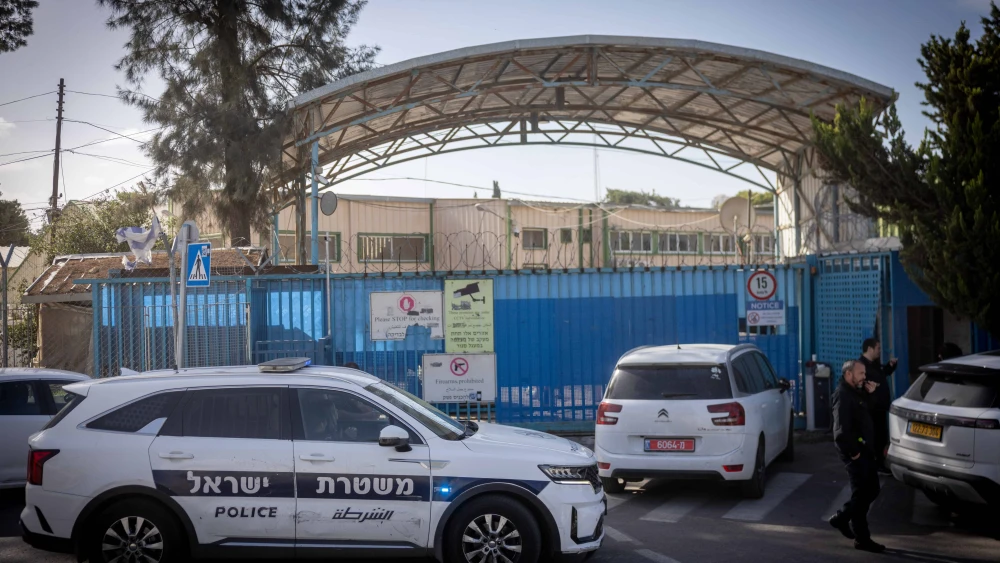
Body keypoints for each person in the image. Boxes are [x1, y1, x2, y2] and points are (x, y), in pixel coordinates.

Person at [829, 360, 885, 553]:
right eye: (860, 373)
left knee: (871, 491)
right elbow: (841, 430)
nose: (864, 377)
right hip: (855, 453)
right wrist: (854, 452)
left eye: (864, 373)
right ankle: (862, 538)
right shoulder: (843, 395)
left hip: (865, 450)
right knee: (862, 494)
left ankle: (842, 518)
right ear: (848, 375)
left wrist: (871, 395)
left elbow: (865, 413)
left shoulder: (856, 392)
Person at [858, 337, 896, 474]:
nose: (880, 351)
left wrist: (890, 366)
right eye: (878, 348)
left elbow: (882, 374)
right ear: (870, 349)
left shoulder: (873, 364)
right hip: (870, 408)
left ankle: (879, 462)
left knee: (880, 436)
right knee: (873, 437)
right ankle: (874, 464)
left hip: (879, 407)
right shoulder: (860, 366)